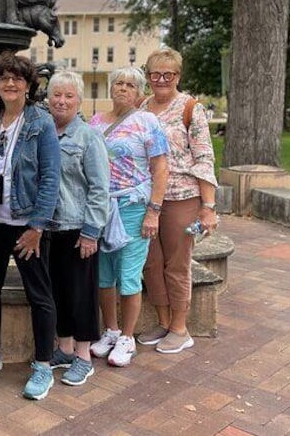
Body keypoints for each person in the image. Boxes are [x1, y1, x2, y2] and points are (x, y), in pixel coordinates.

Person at [0, 52, 61, 401]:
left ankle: (43, 364)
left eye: (17, 78)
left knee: (40, 294)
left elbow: (51, 177)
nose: (10, 83)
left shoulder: (41, 122)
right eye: (4, 78)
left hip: (26, 223)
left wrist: (37, 226)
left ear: (28, 85)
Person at [88, 66, 169, 368]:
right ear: (111, 88)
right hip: (101, 208)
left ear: (139, 92)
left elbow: (160, 168)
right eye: (118, 83)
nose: (123, 89)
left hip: (134, 207)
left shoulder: (147, 122)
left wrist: (154, 211)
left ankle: (128, 337)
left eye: (130, 85)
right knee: (104, 274)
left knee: (130, 273)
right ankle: (110, 330)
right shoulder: (95, 122)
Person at [138, 49, 218, 354]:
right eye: (155, 74)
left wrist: (207, 207)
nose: (161, 80)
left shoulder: (190, 108)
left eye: (167, 74)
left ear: (177, 76)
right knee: (151, 263)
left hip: (182, 197)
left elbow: (204, 157)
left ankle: (180, 328)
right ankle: (162, 320)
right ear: (148, 76)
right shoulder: (141, 108)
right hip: (147, 199)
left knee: (177, 264)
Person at [45, 72, 110, 386]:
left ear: (79, 100)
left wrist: (91, 231)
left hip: (77, 227)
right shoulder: (44, 132)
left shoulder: (88, 136)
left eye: (69, 96)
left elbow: (100, 188)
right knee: (59, 291)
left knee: (81, 294)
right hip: (49, 227)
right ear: (48, 98)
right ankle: (65, 348)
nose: (61, 101)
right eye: (56, 94)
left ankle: (84, 356)